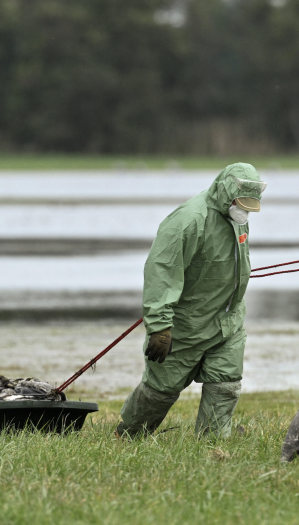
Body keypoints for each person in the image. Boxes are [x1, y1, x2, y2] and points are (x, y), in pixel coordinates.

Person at [116, 163, 266, 438]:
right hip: (186, 326)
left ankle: (212, 446)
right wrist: (160, 326)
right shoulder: (188, 220)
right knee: (161, 391)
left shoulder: (238, 217)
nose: (245, 211)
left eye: (249, 205)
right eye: (241, 204)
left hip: (227, 323)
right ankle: (127, 435)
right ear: (226, 191)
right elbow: (161, 272)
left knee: (225, 385)